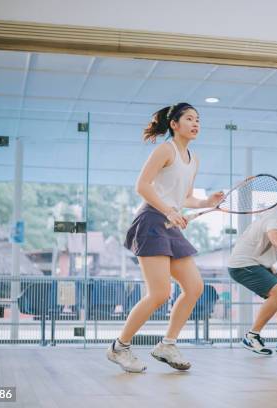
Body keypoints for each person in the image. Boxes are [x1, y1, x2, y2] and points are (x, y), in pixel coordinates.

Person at [106, 102, 223, 372]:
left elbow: (185, 198)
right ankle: (119, 347)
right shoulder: (164, 149)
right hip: (151, 221)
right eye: (190, 119)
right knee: (159, 293)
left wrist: (207, 200)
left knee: (194, 288)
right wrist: (170, 210)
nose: (196, 124)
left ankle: (167, 345)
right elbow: (142, 186)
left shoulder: (194, 158)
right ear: (174, 124)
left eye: (198, 120)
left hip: (171, 224)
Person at [228, 185, 277, 355]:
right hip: (243, 265)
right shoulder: (275, 219)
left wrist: (268, 265)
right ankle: (251, 336)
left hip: (257, 263)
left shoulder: (276, 217)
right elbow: (275, 238)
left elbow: (263, 243)